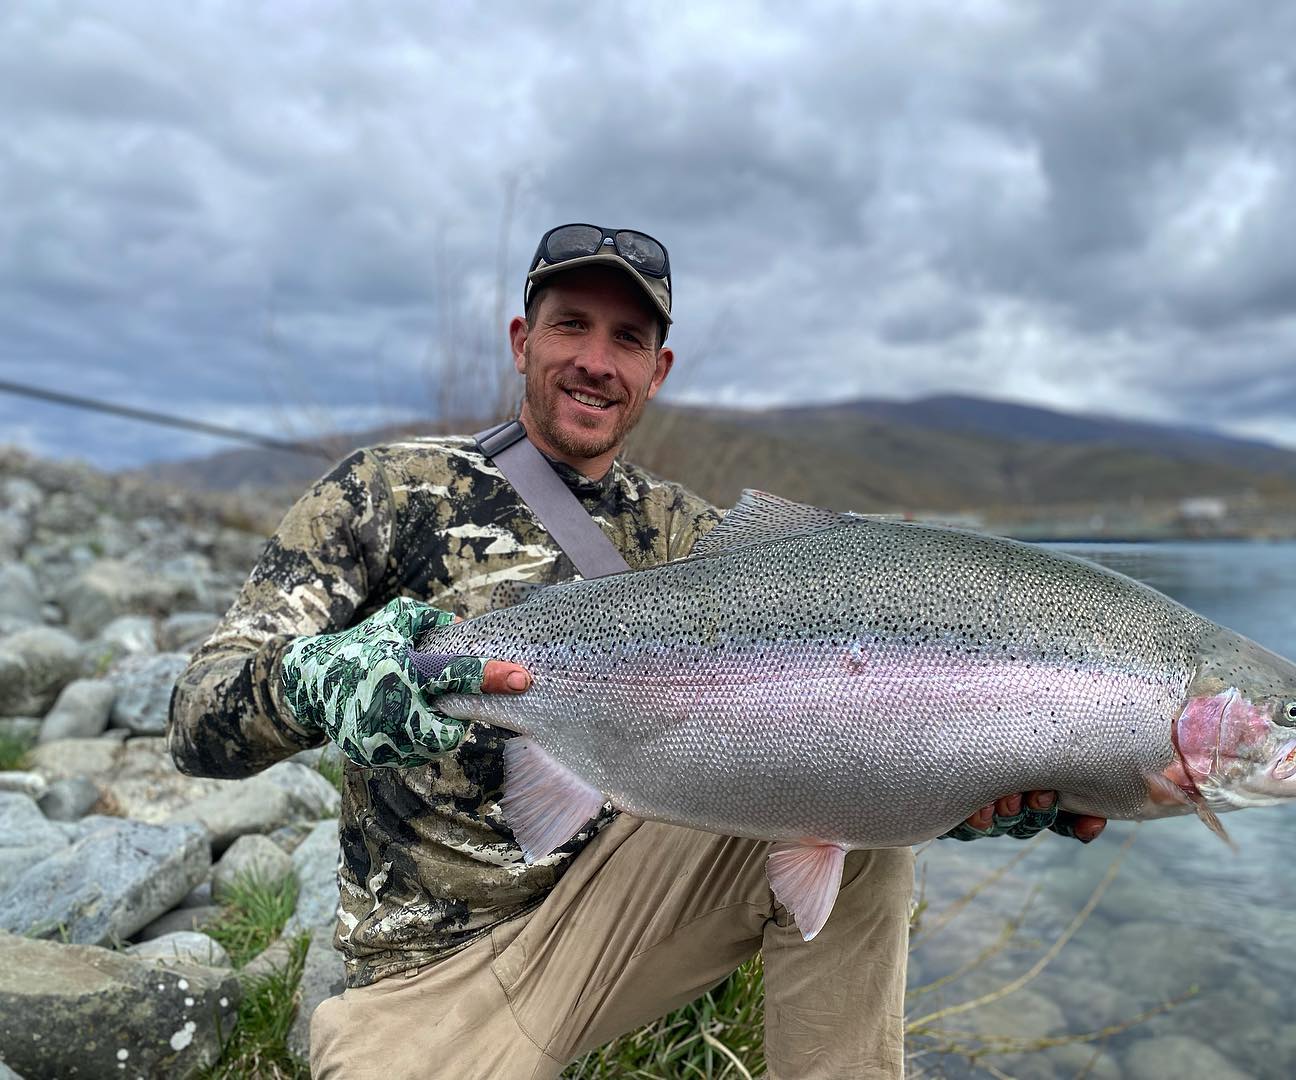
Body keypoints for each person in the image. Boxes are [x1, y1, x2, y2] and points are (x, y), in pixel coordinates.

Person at [168, 222, 1106, 1080]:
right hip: (429, 983)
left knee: (864, 828)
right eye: (570, 326)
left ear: (657, 371)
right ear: (520, 341)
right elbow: (194, 720)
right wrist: (325, 685)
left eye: (626, 340)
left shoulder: (695, 539)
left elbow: (843, 701)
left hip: (615, 923)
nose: (594, 361)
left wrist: (976, 774)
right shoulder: (388, 490)